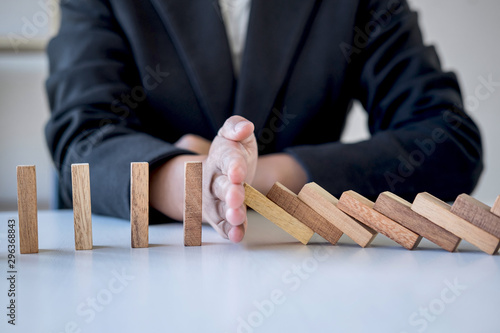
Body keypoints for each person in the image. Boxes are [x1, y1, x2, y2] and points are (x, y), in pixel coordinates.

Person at [45, 0, 483, 243]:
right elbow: (81, 140)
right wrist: (191, 180)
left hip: (310, 271)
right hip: (130, 269)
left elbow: (449, 140)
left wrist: (266, 177)